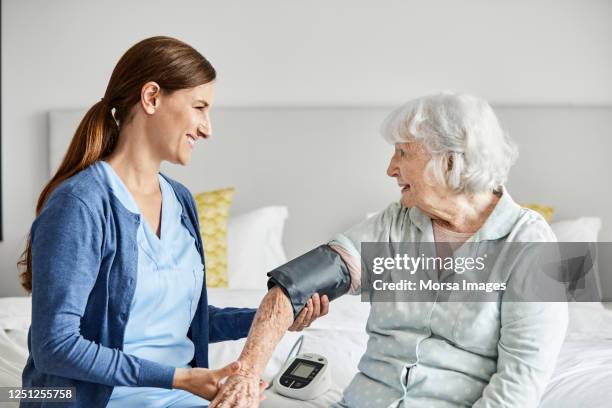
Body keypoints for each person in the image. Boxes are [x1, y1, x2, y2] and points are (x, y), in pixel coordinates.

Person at [18, 36, 328, 408]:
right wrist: (181, 378)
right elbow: (55, 347)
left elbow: (183, 321)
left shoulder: (180, 200)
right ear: (151, 97)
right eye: (199, 107)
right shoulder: (80, 205)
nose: (207, 128)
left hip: (177, 397)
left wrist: (272, 318)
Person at [210, 92, 568, 408]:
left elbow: (520, 382)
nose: (390, 168)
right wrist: (246, 374)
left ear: (449, 159)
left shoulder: (529, 244)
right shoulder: (395, 223)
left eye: (403, 153)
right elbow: (293, 286)